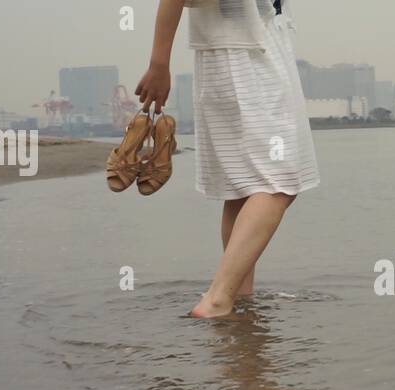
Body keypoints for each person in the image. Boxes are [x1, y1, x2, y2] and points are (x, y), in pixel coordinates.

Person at [136, 0, 319, 318]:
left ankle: (240, 296)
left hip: (249, 51)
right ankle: (218, 299)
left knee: (244, 187)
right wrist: (159, 64)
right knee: (281, 182)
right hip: (244, 59)